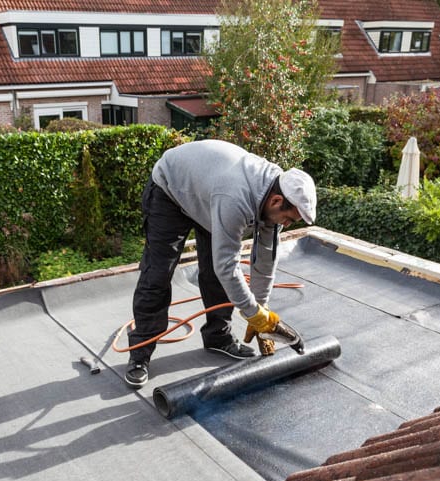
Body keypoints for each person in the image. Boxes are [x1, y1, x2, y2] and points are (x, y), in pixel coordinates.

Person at [125, 139, 317, 388]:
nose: (287, 225)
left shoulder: (273, 197)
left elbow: (265, 259)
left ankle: (218, 337)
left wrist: (261, 311)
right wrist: (253, 314)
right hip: (171, 190)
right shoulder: (235, 199)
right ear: (276, 202)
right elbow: (227, 265)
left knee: (216, 274)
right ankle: (140, 353)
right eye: (289, 219)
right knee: (159, 273)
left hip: (208, 194)